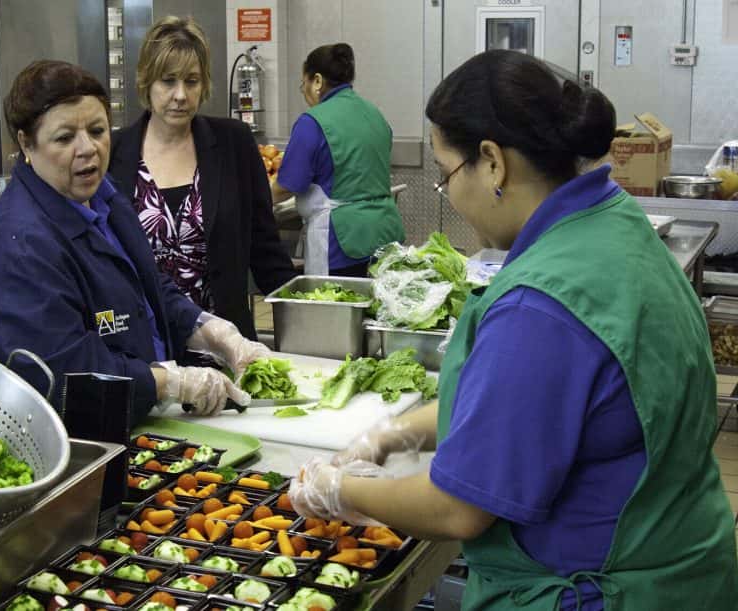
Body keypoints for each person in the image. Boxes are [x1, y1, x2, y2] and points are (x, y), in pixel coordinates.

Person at [289, 50, 737, 610]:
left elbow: (457, 509)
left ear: (493, 162)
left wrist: (339, 490)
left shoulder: (540, 305)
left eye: (445, 174)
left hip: (600, 590)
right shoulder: (614, 221)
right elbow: (524, 404)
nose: (450, 194)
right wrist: (393, 433)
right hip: (687, 566)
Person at [0, 60, 270, 425]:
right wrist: (169, 383)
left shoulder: (103, 196)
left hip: (138, 418)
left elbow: (145, 285)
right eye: (64, 138)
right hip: (82, 438)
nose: (88, 149)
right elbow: (65, 373)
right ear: (25, 143)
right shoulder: (20, 247)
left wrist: (209, 330)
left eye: (97, 131)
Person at [108, 16, 296, 340]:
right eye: (168, 81)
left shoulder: (233, 144)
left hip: (225, 344)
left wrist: (304, 318)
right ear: (146, 82)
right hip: (144, 346)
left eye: (191, 81)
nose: (180, 95)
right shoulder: (114, 153)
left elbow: (265, 250)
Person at [271, 43, 405, 277]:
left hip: (340, 241)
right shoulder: (374, 113)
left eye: (303, 84)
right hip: (385, 234)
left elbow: (287, 186)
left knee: (337, 300)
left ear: (317, 81)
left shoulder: (312, 122)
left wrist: (256, 199)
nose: (304, 92)